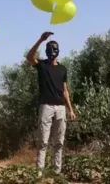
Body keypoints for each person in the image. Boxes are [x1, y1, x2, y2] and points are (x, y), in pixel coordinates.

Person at [26, 31, 76, 175]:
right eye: (49, 49)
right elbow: (29, 57)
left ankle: (56, 173)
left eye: (54, 49)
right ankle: (39, 175)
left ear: (58, 51)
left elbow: (65, 90)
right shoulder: (41, 65)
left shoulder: (62, 69)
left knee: (59, 143)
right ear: (46, 51)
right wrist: (40, 40)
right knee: (43, 142)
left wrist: (71, 110)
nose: (51, 52)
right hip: (46, 107)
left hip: (60, 108)